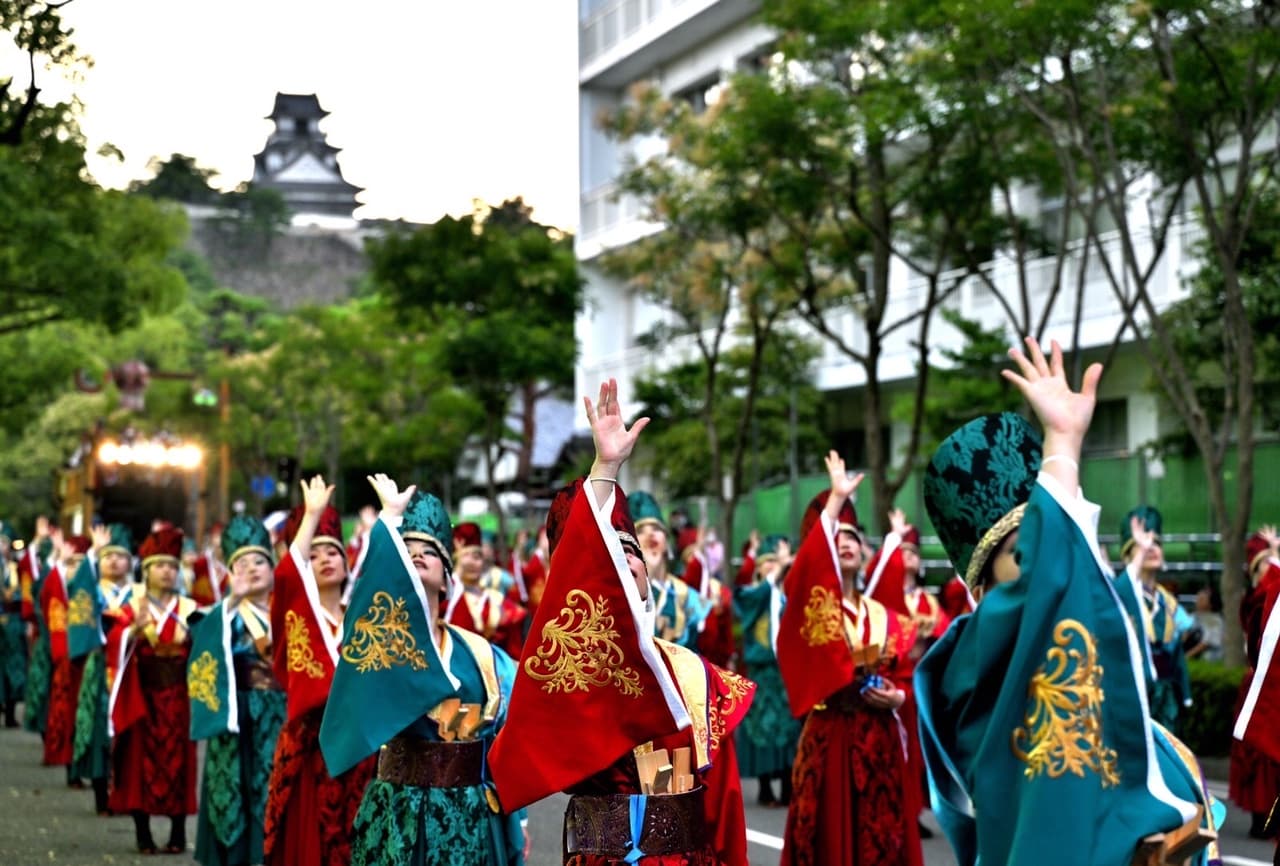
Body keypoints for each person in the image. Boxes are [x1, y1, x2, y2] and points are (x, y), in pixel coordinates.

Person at [915, 337, 1220, 866]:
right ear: (982, 589)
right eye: (1021, 551)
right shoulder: (973, 661)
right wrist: (1060, 447)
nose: (1055, 563)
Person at [489, 378, 755, 865]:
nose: (623, 563)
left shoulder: (698, 677)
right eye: (608, 556)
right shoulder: (566, 677)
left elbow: (726, 808)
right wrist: (605, 471)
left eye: (630, 552)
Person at [320, 475, 526, 866]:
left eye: (429, 551)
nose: (417, 555)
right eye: (408, 550)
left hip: (470, 814)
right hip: (399, 812)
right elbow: (368, 597)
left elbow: (511, 736)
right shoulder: (379, 640)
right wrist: (391, 519)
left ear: (448, 578)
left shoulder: (481, 653)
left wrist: (518, 814)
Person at [775, 456, 921, 866]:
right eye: (837, 537)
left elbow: (903, 677)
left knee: (884, 839)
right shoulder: (813, 609)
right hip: (831, 738)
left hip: (881, 742)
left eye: (854, 537)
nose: (847, 542)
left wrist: (898, 698)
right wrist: (836, 503)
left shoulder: (885, 616)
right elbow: (804, 575)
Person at [264, 477, 376, 866]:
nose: (326, 559)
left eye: (333, 552)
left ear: (348, 563)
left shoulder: (365, 620)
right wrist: (311, 516)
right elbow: (286, 576)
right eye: (314, 554)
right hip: (311, 749)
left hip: (363, 753)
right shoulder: (297, 612)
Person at [188, 514, 286, 866]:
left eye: (260, 560)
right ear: (230, 572)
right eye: (242, 563)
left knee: (275, 784)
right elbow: (201, 642)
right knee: (234, 786)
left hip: (281, 711)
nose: (253, 568)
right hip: (238, 711)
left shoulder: (288, 611)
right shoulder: (222, 613)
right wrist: (232, 600)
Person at [106, 523, 199, 854]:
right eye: (160, 565)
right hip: (141, 694)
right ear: (146, 570)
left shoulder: (190, 610)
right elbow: (112, 642)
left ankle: (177, 832)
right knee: (138, 761)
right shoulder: (130, 607)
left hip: (178, 696)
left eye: (173, 566)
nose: (167, 571)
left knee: (179, 761)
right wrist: (131, 632)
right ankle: (142, 832)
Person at [67, 523, 134, 815]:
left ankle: (126, 792)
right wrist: (92, 552)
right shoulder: (93, 590)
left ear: (131, 562)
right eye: (108, 557)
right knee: (98, 728)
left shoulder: (141, 593)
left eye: (120, 556)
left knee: (128, 731)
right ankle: (100, 794)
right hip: (101, 666)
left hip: (130, 667)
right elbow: (76, 591)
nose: (114, 561)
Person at [733, 533, 801, 808]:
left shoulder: (786, 597)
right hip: (761, 671)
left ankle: (787, 784)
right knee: (761, 727)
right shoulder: (751, 594)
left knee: (787, 726)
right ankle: (764, 787)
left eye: (777, 561)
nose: (774, 566)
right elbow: (755, 598)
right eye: (768, 561)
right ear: (759, 566)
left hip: (785, 672)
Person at [1120, 505, 1194, 731]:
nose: (1151, 548)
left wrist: (1185, 693)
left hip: (1167, 699)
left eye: (1156, 544)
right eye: (1142, 545)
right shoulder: (1121, 595)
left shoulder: (1168, 602)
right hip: (1134, 697)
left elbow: (1178, 655)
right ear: (1128, 555)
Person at [1230, 526, 1280, 840]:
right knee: (1258, 755)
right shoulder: (1259, 597)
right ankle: (1262, 815)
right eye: (1263, 562)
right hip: (1260, 683)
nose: (1269, 567)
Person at [40, 532, 91, 780]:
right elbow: (50, 606)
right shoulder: (57, 585)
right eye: (72, 563)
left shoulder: (94, 590)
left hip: (92, 662)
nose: (76, 569)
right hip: (67, 661)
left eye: (82, 563)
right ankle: (71, 767)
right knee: (68, 713)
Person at [630, 491, 707, 649]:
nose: (650, 534)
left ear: (666, 541)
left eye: (656, 528)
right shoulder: (619, 596)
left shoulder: (688, 597)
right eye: (640, 531)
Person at [445, 521, 527, 658]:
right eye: (465, 556)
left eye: (477, 557)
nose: (471, 562)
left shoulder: (494, 598)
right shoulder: (449, 595)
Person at [0, 521, 26, 728]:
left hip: (13, 623)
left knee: (14, 668)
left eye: (4, 543)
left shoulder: (15, 568)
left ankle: (10, 711)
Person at [1186, 585, 1223, 663]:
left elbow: (1206, 643)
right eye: (1197, 598)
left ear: (1211, 603)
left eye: (1202, 599)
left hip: (1210, 659)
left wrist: (1186, 656)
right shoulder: (1194, 616)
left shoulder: (1214, 620)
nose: (1197, 601)